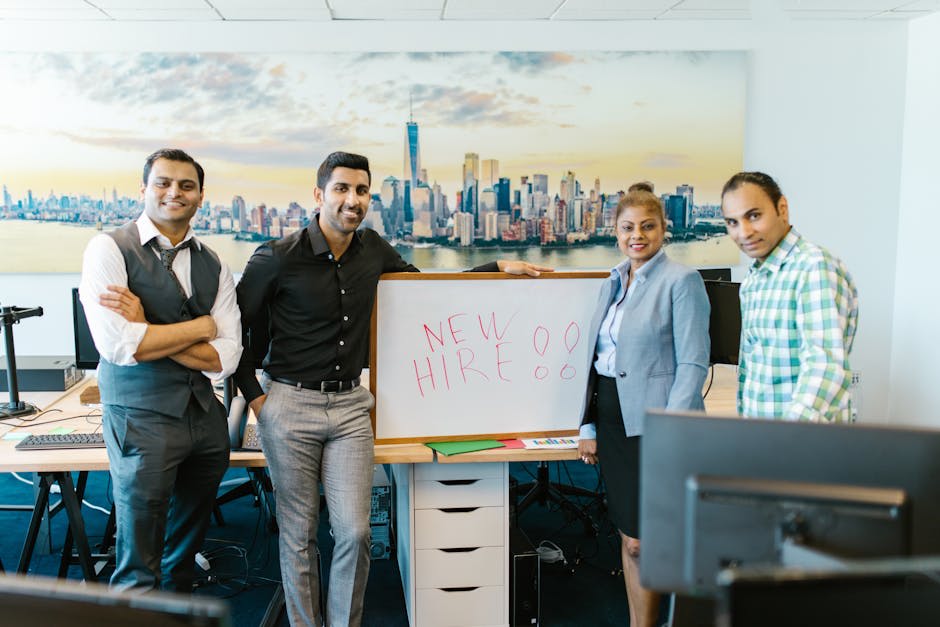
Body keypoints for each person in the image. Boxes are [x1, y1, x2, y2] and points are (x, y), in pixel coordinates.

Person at [234, 151, 549, 627]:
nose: (352, 200)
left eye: (361, 191)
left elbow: (426, 296)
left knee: (355, 533)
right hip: (289, 405)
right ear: (319, 195)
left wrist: (495, 267)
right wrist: (259, 401)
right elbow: (235, 333)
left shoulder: (374, 249)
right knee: (298, 535)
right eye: (341, 189)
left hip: (349, 408)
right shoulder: (277, 259)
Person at [79, 148, 242, 592]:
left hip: (205, 420)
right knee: (138, 561)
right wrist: (199, 328)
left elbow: (226, 356)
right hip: (140, 417)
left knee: (183, 557)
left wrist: (148, 328)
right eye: (164, 183)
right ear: (144, 190)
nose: (175, 192)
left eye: (186, 185)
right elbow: (119, 344)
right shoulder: (108, 248)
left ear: (200, 196)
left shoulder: (215, 263)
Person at [577, 184, 710, 627]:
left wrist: (668, 430)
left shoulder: (681, 281)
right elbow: (595, 362)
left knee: (645, 540)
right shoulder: (613, 280)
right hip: (612, 417)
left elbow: (693, 362)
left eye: (647, 226)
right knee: (629, 533)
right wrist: (587, 426)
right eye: (628, 227)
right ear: (615, 231)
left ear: (663, 230)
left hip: (655, 423)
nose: (638, 235)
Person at [720, 171, 858, 422]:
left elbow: (825, 367)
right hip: (765, 439)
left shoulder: (814, 267)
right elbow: (754, 372)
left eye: (754, 216)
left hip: (803, 443)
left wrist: (787, 439)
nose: (744, 232)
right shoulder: (754, 279)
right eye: (733, 222)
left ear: (782, 209)